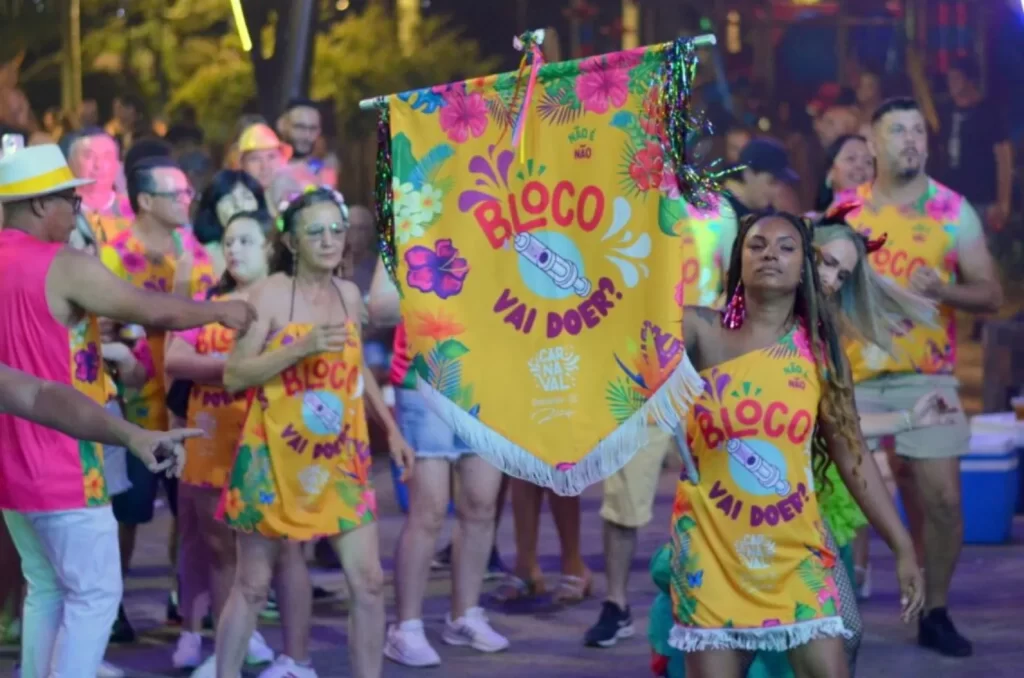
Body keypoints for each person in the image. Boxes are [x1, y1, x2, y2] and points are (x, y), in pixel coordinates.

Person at [0, 143, 255, 678]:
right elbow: (150, 308)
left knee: (46, 588)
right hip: (66, 455)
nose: (78, 212)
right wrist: (221, 310)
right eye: (71, 200)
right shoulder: (63, 265)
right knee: (94, 595)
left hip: (11, 461)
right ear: (42, 205)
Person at [668, 210, 924, 677]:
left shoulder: (820, 354)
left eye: (786, 247)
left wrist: (902, 546)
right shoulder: (697, 331)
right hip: (712, 545)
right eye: (757, 244)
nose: (770, 254)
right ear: (738, 259)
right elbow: (626, 343)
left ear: (803, 265)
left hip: (794, 549)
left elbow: (854, 457)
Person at [203, 187, 415, 678]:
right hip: (273, 455)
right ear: (293, 242)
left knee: (367, 582)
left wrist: (393, 432)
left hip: (342, 456)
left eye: (336, 230)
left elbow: (355, 368)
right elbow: (236, 374)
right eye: (314, 231)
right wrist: (300, 348)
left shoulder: (349, 294)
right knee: (253, 585)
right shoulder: (271, 293)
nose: (328, 240)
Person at [836, 97, 1002, 658]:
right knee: (838, 502)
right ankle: (833, 612)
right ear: (874, 143)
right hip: (852, 379)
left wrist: (945, 290)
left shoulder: (954, 212)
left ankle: (934, 610)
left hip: (927, 378)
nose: (911, 139)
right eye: (898, 131)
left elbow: (992, 293)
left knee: (947, 503)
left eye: (917, 131)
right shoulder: (845, 215)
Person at [583, 193, 737, 649]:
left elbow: (734, 287)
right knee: (624, 496)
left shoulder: (721, 209)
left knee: (724, 491)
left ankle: (724, 598)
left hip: (710, 370)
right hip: (642, 369)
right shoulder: (623, 196)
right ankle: (616, 604)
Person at [100, 155, 219, 639]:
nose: (188, 201)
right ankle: (112, 605)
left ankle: (182, 600)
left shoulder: (197, 253)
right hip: (132, 406)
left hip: (187, 404)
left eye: (190, 193)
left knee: (187, 510)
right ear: (146, 200)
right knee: (126, 511)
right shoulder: (113, 257)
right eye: (178, 194)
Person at [367, 263, 509, 668]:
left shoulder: (502, 215)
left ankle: (464, 614)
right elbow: (381, 307)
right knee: (428, 509)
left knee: (482, 504)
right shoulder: (411, 211)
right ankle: (405, 627)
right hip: (423, 378)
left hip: (489, 377)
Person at [165, 211, 281, 671]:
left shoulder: (283, 301)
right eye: (229, 242)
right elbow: (175, 358)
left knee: (259, 546)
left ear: (271, 248)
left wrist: (230, 365)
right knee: (214, 545)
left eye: (247, 241)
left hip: (267, 438)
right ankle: (217, 638)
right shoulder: (212, 302)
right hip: (210, 439)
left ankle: (247, 633)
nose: (234, 250)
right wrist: (238, 368)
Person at [939, 56, 1013, 236]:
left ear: (969, 80)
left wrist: (1003, 203)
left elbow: (1004, 159)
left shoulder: (988, 112)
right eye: (949, 79)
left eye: (956, 78)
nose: (951, 84)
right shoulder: (948, 110)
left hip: (982, 200)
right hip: (953, 199)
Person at [192, 169, 266, 278]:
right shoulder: (197, 258)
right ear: (213, 208)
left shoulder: (273, 251)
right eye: (228, 199)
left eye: (247, 197)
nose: (239, 205)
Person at [67, 128, 133, 243]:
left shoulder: (133, 209)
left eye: (107, 157)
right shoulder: (61, 211)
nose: (98, 165)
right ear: (70, 163)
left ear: (117, 164)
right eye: (89, 156)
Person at [722, 139, 798, 219]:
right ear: (748, 173)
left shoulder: (766, 214)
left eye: (781, 183)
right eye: (772, 181)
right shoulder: (718, 212)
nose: (777, 191)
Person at [278, 98, 339, 188]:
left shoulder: (325, 167)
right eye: (299, 127)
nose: (306, 136)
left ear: (319, 131)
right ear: (282, 125)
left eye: (313, 128)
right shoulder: (267, 164)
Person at [813, 134, 874, 214]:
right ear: (830, 172)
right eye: (851, 158)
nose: (860, 166)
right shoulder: (811, 223)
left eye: (868, 162)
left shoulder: (889, 218)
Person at [238, 123, 290, 190]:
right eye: (255, 159)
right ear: (242, 165)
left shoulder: (296, 194)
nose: (265, 166)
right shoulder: (232, 200)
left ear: (282, 160)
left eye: (271, 157)